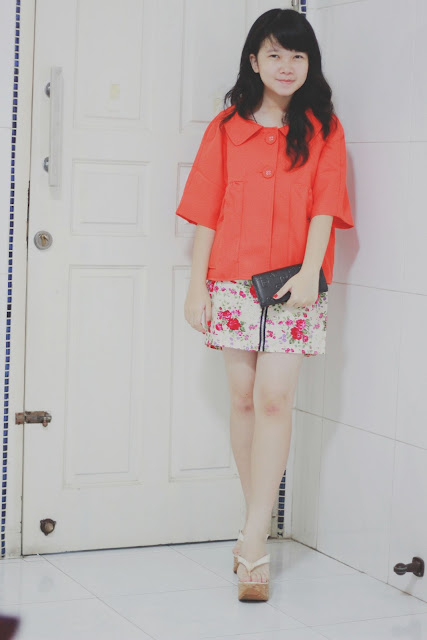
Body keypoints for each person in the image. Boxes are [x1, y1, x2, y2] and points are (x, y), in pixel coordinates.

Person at [176, 8, 354, 601]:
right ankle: (253, 522)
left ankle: (254, 536)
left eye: (298, 56)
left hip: (296, 284)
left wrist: (309, 273)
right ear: (254, 60)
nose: (287, 66)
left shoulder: (325, 127)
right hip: (230, 280)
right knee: (242, 399)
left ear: (310, 64)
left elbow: (326, 205)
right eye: (275, 54)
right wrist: (196, 286)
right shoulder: (226, 127)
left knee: (275, 399)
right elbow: (206, 211)